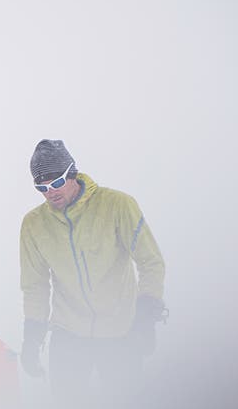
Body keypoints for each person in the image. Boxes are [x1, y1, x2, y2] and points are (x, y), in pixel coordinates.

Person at [19, 139, 166, 396]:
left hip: (121, 331)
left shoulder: (118, 205)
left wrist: (146, 314)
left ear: (72, 173)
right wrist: (32, 336)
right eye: (41, 186)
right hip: (69, 334)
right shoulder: (34, 224)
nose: (50, 192)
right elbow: (35, 286)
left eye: (56, 182)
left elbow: (150, 262)